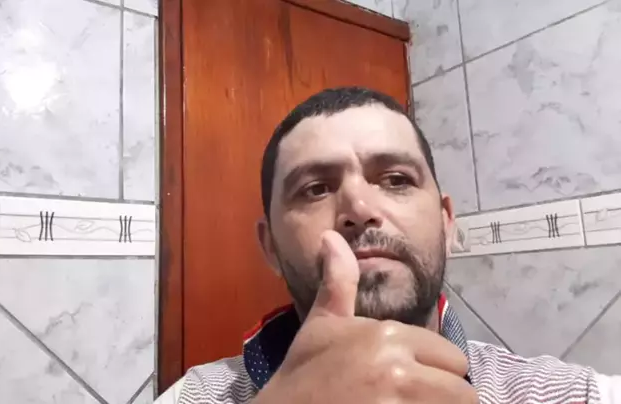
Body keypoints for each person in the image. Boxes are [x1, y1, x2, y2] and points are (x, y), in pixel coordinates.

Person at [154, 87, 621, 404]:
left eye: (396, 180)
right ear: (270, 246)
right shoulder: (197, 396)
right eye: (315, 189)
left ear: (447, 222)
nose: (359, 208)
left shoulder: (565, 393)